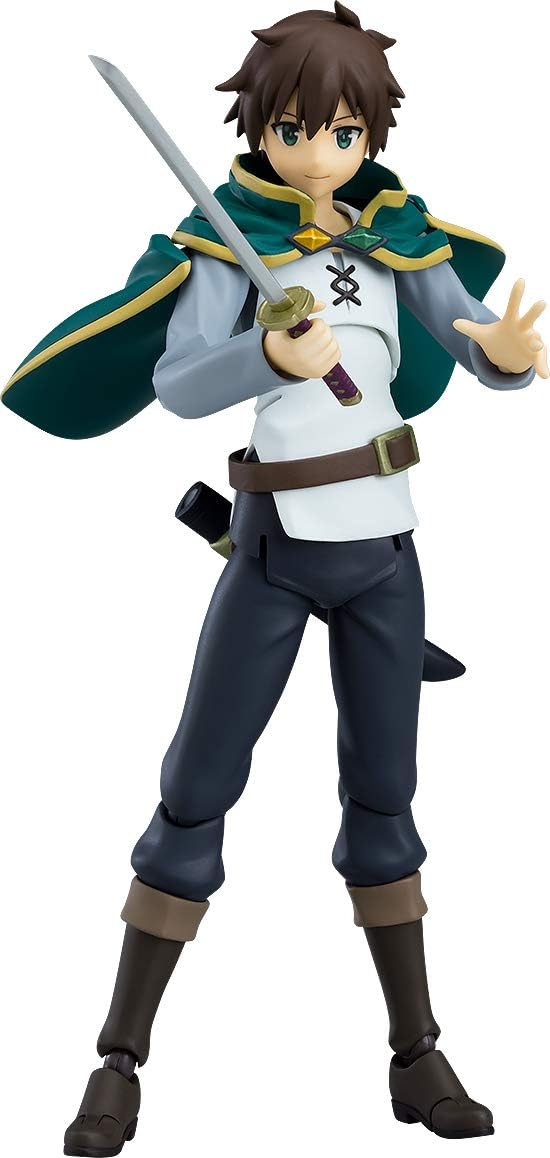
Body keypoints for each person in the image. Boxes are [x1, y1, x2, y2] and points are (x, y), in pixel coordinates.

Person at [3, 4, 547, 1153]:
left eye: (342, 132)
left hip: (386, 550)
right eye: (296, 128)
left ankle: (416, 1053)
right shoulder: (224, 241)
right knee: (196, 791)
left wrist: (502, 361)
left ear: (371, 134)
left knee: (385, 802)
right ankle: (118, 1060)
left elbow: (465, 337)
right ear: (259, 127)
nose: (319, 151)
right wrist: (265, 350)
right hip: (274, 548)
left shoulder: (399, 237)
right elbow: (181, 382)